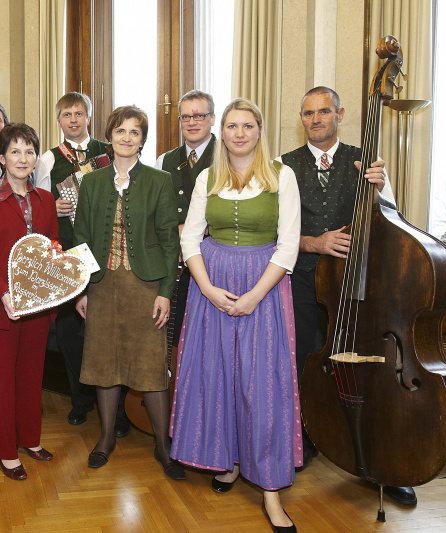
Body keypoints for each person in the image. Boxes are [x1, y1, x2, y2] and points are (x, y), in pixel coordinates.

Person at [169, 98, 301, 532]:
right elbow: (190, 238)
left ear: (260, 131)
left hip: (264, 287)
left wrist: (254, 297)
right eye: (231, 126)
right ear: (220, 132)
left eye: (247, 125)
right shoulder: (208, 177)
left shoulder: (283, 176)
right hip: (213, 286)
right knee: (218, 376)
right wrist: (205, 288)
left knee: (263, 383)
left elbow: (288, 246)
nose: (239, 133)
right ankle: (225, 461)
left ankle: (270, 490)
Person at [278, 86, 414, 506]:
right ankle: (309, 438)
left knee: (367, 367)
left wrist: (382, 189)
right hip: (302, 282)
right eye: (308, 113)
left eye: (323, 112)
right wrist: (314, 243)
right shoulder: (284, 166)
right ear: (301, 119)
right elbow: (274, 231)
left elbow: (393, 219)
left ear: (340, 114)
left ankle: (382, 459)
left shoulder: (365, 160)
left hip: (358, 287)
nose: (315, 119)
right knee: (307, 359)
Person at [73, 105, 183, 479]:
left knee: (151, 367)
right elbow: (82, 238)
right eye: (120, 131)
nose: (126, 138)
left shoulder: (159, 180)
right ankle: (105, 438)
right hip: (102, 286)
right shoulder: (91, 181)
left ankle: (163, 446)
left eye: (134, 132)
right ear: (109, 135)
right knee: (105, 365)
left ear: (142, 139)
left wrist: (166, 291)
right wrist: (81, 289)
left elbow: (171, 241)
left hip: (146, 287)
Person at [0, 123, 59, 481]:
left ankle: (29, 439)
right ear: (2, 157)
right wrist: (4, 294)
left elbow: (52, 246)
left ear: (37, 157)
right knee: (2, 381)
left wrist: (58, 266)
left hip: (36, 305)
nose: (23, 158)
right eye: (15, 151)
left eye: (30, 151)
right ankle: (5, 450)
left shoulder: (46, 200)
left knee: (30, 376)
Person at [35, 92, 119, 432]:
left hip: (108, 251)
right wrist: (51, 207)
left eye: (79, 113)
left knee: (109, 329)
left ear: (89, 116)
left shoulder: (109, 149)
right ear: (58, 120)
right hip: (68, 253)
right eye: (66, 114)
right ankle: (80, 400)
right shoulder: (46, 159)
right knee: (70, 331)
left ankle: (116, 410)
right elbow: (39, 205)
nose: (73, 119)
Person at [155, 89, 218, 347]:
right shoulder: (163, 161)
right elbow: (156, 211)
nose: (192, 122)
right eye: (185, 117)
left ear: (213, 118)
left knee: (207, 335)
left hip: (213, 259)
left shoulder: (227, 157)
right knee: (173, 334)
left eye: (199, 116)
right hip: (175, 261)